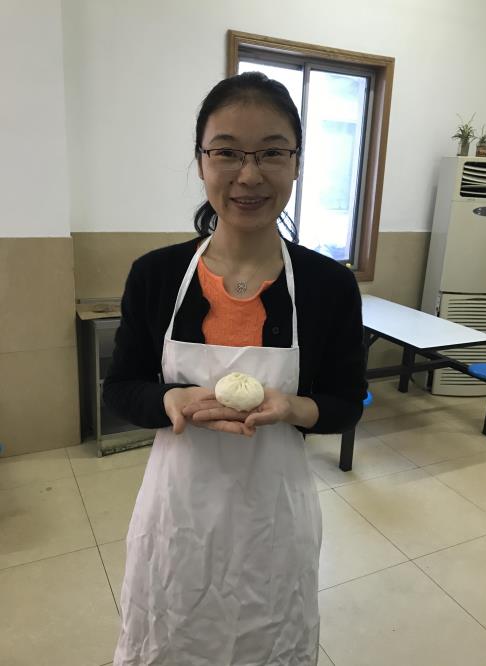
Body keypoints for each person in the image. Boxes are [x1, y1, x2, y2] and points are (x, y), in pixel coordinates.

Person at [104, 71, 367, 666]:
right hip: (177, 518)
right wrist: (169, 400)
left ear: (296, 162)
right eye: (226, 152)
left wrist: (294, 407)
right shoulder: (155, 274)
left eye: (272, 152)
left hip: (275, 521)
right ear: (201, 160)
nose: (249, 175)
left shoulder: (328, 286)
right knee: (171, 642)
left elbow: (347, 401)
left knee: (268, 643)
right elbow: (120, 388)